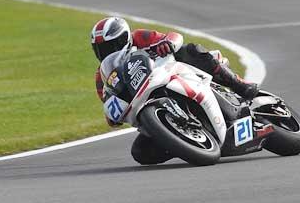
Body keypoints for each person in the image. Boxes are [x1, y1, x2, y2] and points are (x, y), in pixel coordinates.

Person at [91, 17, 259, 165]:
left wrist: (167, 43)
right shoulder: (102, 76)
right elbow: (107, 101)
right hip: (144, 100)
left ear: (124, 38)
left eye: (112, 45)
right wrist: (112, 115)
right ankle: (183, 142)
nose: (108, 51)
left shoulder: (139, 37)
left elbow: (173, 37)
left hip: (171, 70)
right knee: (140, 152)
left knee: (191, 50)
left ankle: (239, 84)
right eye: (102, 49)